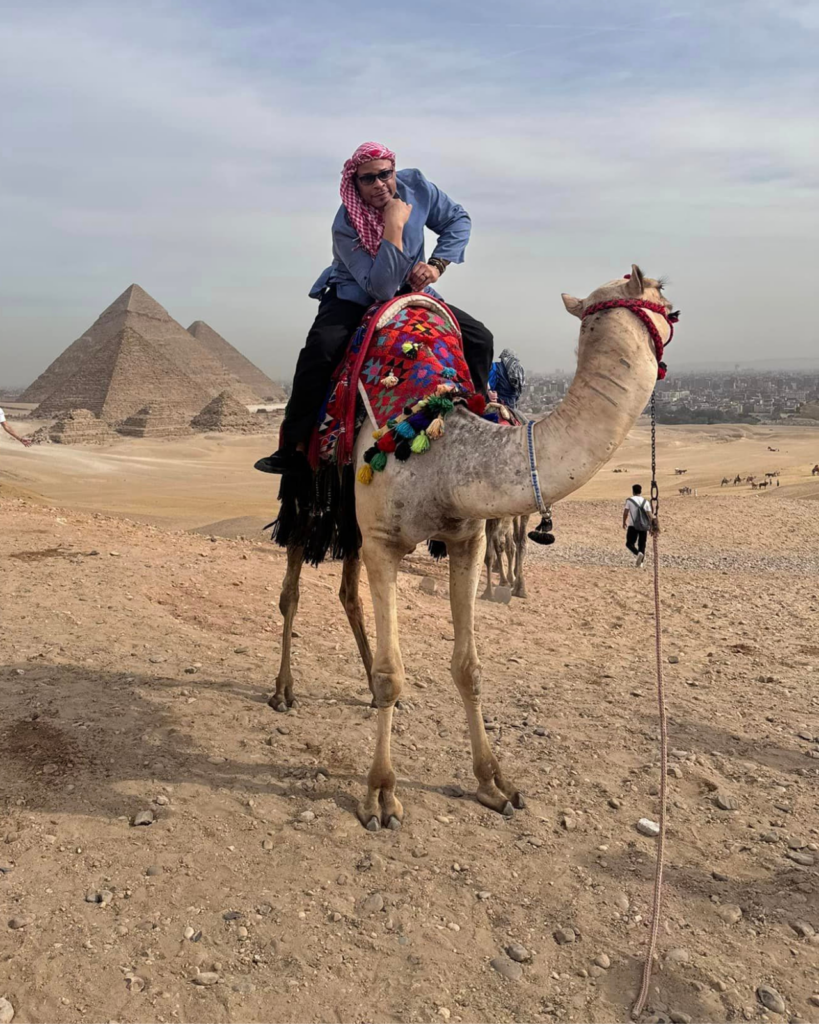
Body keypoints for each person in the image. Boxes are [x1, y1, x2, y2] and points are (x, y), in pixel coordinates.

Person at [255, 141, 494, 475]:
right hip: (355, 294)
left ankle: (479, 415)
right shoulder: (346, 224)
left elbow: (458, 219)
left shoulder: (418, 188)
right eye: (369, 179)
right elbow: (378, 288)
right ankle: (293, 447)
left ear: (395, 171)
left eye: (386, 174)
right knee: (320, 351)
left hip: (409, 288)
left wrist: (438, 264)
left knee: (479, 337)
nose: (380, 183)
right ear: (355, 184)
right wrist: (394, 226)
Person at [623, 483, 654, 567]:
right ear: (641, 491)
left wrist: (624, 522)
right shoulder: (646, 502)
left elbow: (626, 512)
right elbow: (650, 515)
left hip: (633, 525)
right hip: (644, 525)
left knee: (629, 544)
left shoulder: (629, 500)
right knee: (642, 544)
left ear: (633, 491)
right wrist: (651, 527)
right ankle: (641, 563)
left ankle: (638, 553)